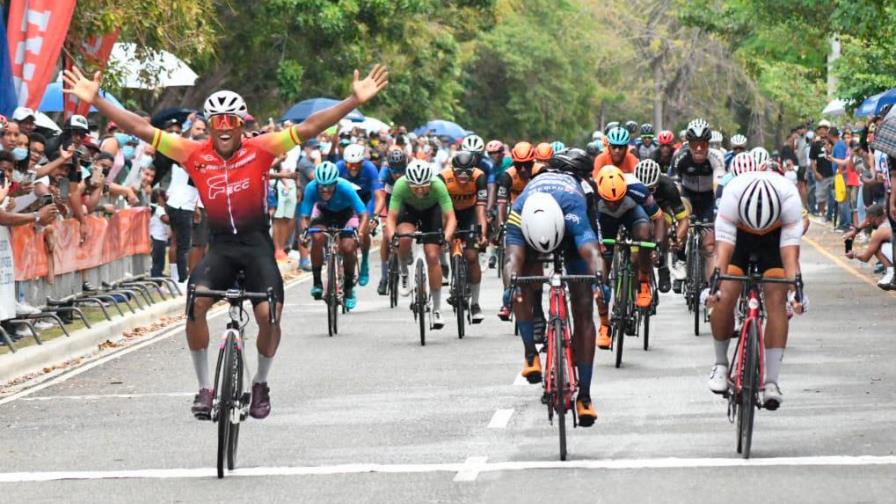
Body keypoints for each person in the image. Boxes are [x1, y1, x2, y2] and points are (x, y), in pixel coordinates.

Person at [62, 63, 389, 420]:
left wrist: (351, 100)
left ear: (240, 124)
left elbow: (311, 126)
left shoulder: (262, 148)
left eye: (230, 121)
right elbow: (140, 127)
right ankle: (204, 388)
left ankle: (261, 383)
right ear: (210, 125)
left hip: (256, 247)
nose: (223, 128)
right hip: (221, 249)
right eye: (216, 121)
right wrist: (97, 101)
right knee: (196, 303)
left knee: (268, 316)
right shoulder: (192, 153)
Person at [505, 166, 604, 427]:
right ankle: (530, 353)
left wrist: (600, 281)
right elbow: (512, 259)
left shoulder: (573, 207)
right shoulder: (518, 212)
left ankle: (584, 396)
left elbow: (592, 252)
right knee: (519, 285)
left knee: (583, 305)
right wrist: (510, 288)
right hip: (532, 230)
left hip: (570, 231)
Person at [706, 171, 805, 410]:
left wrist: (797, 293)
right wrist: (713, 288)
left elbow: (790, 258)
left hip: (775, 239)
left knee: (777, 299)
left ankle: (772, 381)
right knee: (725, 295)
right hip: (738, 237)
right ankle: (720, 364)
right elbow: (723, 253)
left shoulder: (790, 198)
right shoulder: (732, 195)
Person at [594, 165, 663, 348]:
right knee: (600, 273)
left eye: (618, 200)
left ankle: (643, 283)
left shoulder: (637, 190)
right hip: (605, 221)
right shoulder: (590, 195)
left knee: (644, 235)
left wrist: (656, 244)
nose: (614, 204)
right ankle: (604, 325)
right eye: (610, 201)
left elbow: (658, 218)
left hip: (632, 214)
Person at [385, 159, 456, 329]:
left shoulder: (438, 185)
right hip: (408, 210)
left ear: (430, 182)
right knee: (404, 238)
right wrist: (392, 236)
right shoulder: (401, 185)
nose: (419, 190)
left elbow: (451, 217)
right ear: (408, 183)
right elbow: (391, 218)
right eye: (414, 187)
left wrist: (445, 237)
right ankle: (403, 272)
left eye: (423, 186)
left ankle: (437, 309)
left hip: (432, 212)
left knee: (432, 256)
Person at [300, 161, 369, 310]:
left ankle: (349, 288)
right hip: (323, 214)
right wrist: (305, 233)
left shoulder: (345, 188)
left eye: (329, 186)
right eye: (322, 186)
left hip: (346, 215)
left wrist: (361, 233)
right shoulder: (311, 188)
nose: (325, 190)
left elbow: (363, 214)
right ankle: (317, 282)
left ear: (336, 183)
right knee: (317, 237)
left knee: (348, 247)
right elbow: (305, 216)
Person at [671, 119, 725, 287]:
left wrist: (718, 208)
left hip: (709, 198)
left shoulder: (716, 157)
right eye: (695, 144)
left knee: (709, 245)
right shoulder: (680, 157)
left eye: (703, 143)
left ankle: (711, 286)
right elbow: (675, 185)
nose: (699, 148)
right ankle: (680, 261)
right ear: (689, 143)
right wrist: (678, 211)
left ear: (708, 143)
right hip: (688, 196)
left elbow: (718, 185)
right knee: (683, 225)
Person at [438, 151, 489, 322]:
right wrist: (445, 233)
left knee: (472, 256)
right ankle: (448, 267)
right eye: (459, 172)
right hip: (449, 213)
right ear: (452, 169)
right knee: (447, 243)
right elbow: (440, 210)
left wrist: (482, 232)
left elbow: (481, 208)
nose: (463, 176)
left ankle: (475, 303)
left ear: (473, 170)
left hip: (470, 214)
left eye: (467, 172)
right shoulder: (443, 178)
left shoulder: (480, 177)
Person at [495, 142, 542, 320]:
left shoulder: (541, 172)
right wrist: (501, 225)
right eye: (518, 165)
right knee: (510, 259)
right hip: (516, 215)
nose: (523, 169)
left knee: (536, 261)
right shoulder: (507, 176)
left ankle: (537, 307)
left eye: (527, 165)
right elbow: (501, 204)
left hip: (538, 214)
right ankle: (507, 298)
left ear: (534, 162)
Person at [634, 159, 689, 293]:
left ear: (658, 183)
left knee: (664, 226)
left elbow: (683, 220)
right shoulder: (630, 185)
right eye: (644, 189)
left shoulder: (668, 186)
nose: (647, 193)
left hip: (663, 210)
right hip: (639, 210)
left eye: (651, 189)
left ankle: (663, 265)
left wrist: (677, 239)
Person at [337, 143, 383, 286]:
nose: (353, 168)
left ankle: (364, 261)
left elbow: (379, 196)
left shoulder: (370, 169)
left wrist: (375, 215)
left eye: (357, 165)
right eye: (349, 165)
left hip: (365, 200)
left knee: (364, 231)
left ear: (362, 162)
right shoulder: (338, 167)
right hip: (345, 200)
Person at [376, 148, 408, 295]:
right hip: (389, 199)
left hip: (405, 199)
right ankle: (383, 277)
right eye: (394, 171)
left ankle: (405, 255)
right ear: (389, 167)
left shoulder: (409, 171)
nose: (397, 174)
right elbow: (380, 196)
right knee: (386, 235)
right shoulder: (384, 172)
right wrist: (376, 215)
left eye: (401, 170)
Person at [843, 204, 892, 289]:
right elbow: (867, 221)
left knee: (876, 246)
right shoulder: (889, 216)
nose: (868, 222)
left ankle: (891, 273)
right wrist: (855, 231)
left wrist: (854, 254)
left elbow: (865, 258)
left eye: (868, 219)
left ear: (872, 217)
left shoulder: (880, 232)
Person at [810, 120, 835, 221]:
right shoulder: (815, 144)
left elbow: (835, 154)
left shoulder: (832, 142)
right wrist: (815, 172)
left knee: (833, 195)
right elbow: (812, 160)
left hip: (832, 173)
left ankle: (830, 214)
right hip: (821, 174)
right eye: (820, 129)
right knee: (821, 196)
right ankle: (822, 213)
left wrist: (829, 148)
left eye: (825, 129)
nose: (822, 131)